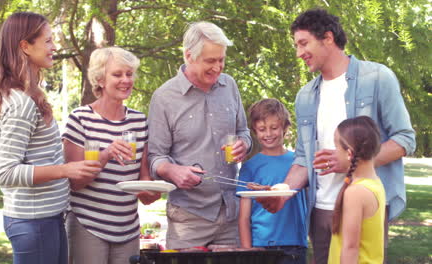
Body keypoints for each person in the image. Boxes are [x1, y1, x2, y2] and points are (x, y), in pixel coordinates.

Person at [256, 8, 416, 264]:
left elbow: (405, 139)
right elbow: (302, 158)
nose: (299, 53)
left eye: (303, 43)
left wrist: (353, 162)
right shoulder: (305, 96)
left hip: (364, 208)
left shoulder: (377, 78)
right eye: (296, 45)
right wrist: (282, 192)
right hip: (321, 211)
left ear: (328, 38)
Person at [0, 12, 101, 264]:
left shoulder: (25, 96)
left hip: (45, 218)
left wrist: (51, 149)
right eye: (48, 41)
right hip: (33, 222)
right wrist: (64, 169)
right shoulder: (21, 103)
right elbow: (5, 172)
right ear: (25, 46)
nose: (54, 46)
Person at [147, 21, 252, 249]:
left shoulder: (230, 86)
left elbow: (244, 131)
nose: (218, 67)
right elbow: (155, 157)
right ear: (189, 56)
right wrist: (173, 171)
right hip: (188, 218)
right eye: (210, 61)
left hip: (231, 215)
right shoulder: (164, 97)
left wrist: (244, 144)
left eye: (221, 60)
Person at [62, 47, 161, 264]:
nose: (126, 80)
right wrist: (106, 154)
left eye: (129, 74)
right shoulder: (80, 119)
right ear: (99, 80)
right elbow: (75, 183)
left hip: (127, 228)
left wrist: (154, 190)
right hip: (88, 225)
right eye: (117, 74)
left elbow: (143, 183)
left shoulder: (139, 121)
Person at [237, 99, 307, 263]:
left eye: (274, 128)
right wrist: (248, 250)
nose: (268, 134)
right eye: (262, 129)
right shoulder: (249, 167)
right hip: (261, 245)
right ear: (254, 131)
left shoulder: (299, 163)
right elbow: (244, 217)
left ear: (285, 128)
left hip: (295, 245)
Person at [328, 116, 386, 263]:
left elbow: (350, 247)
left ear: (349, 154)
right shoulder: (375, 183)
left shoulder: (355, 192)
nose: (335, 152)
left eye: (336, 147)